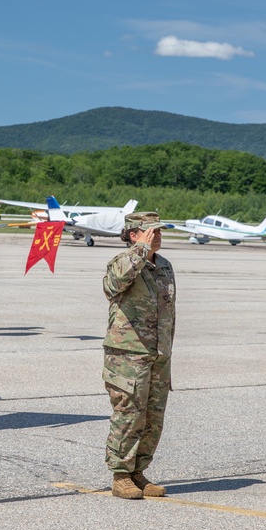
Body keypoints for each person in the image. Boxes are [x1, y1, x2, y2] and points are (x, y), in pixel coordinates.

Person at [102, 211, 176, 500]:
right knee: (129, 415)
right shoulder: (123, 262)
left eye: (159, 231)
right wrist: (141, 251)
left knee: (152, 417)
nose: (157, 236)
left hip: (157, 353)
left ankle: (138, 472)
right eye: (150, 232)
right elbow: (113, 286)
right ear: (134, 234)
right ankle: (120, 475)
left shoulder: (165, 266)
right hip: (128, 354)